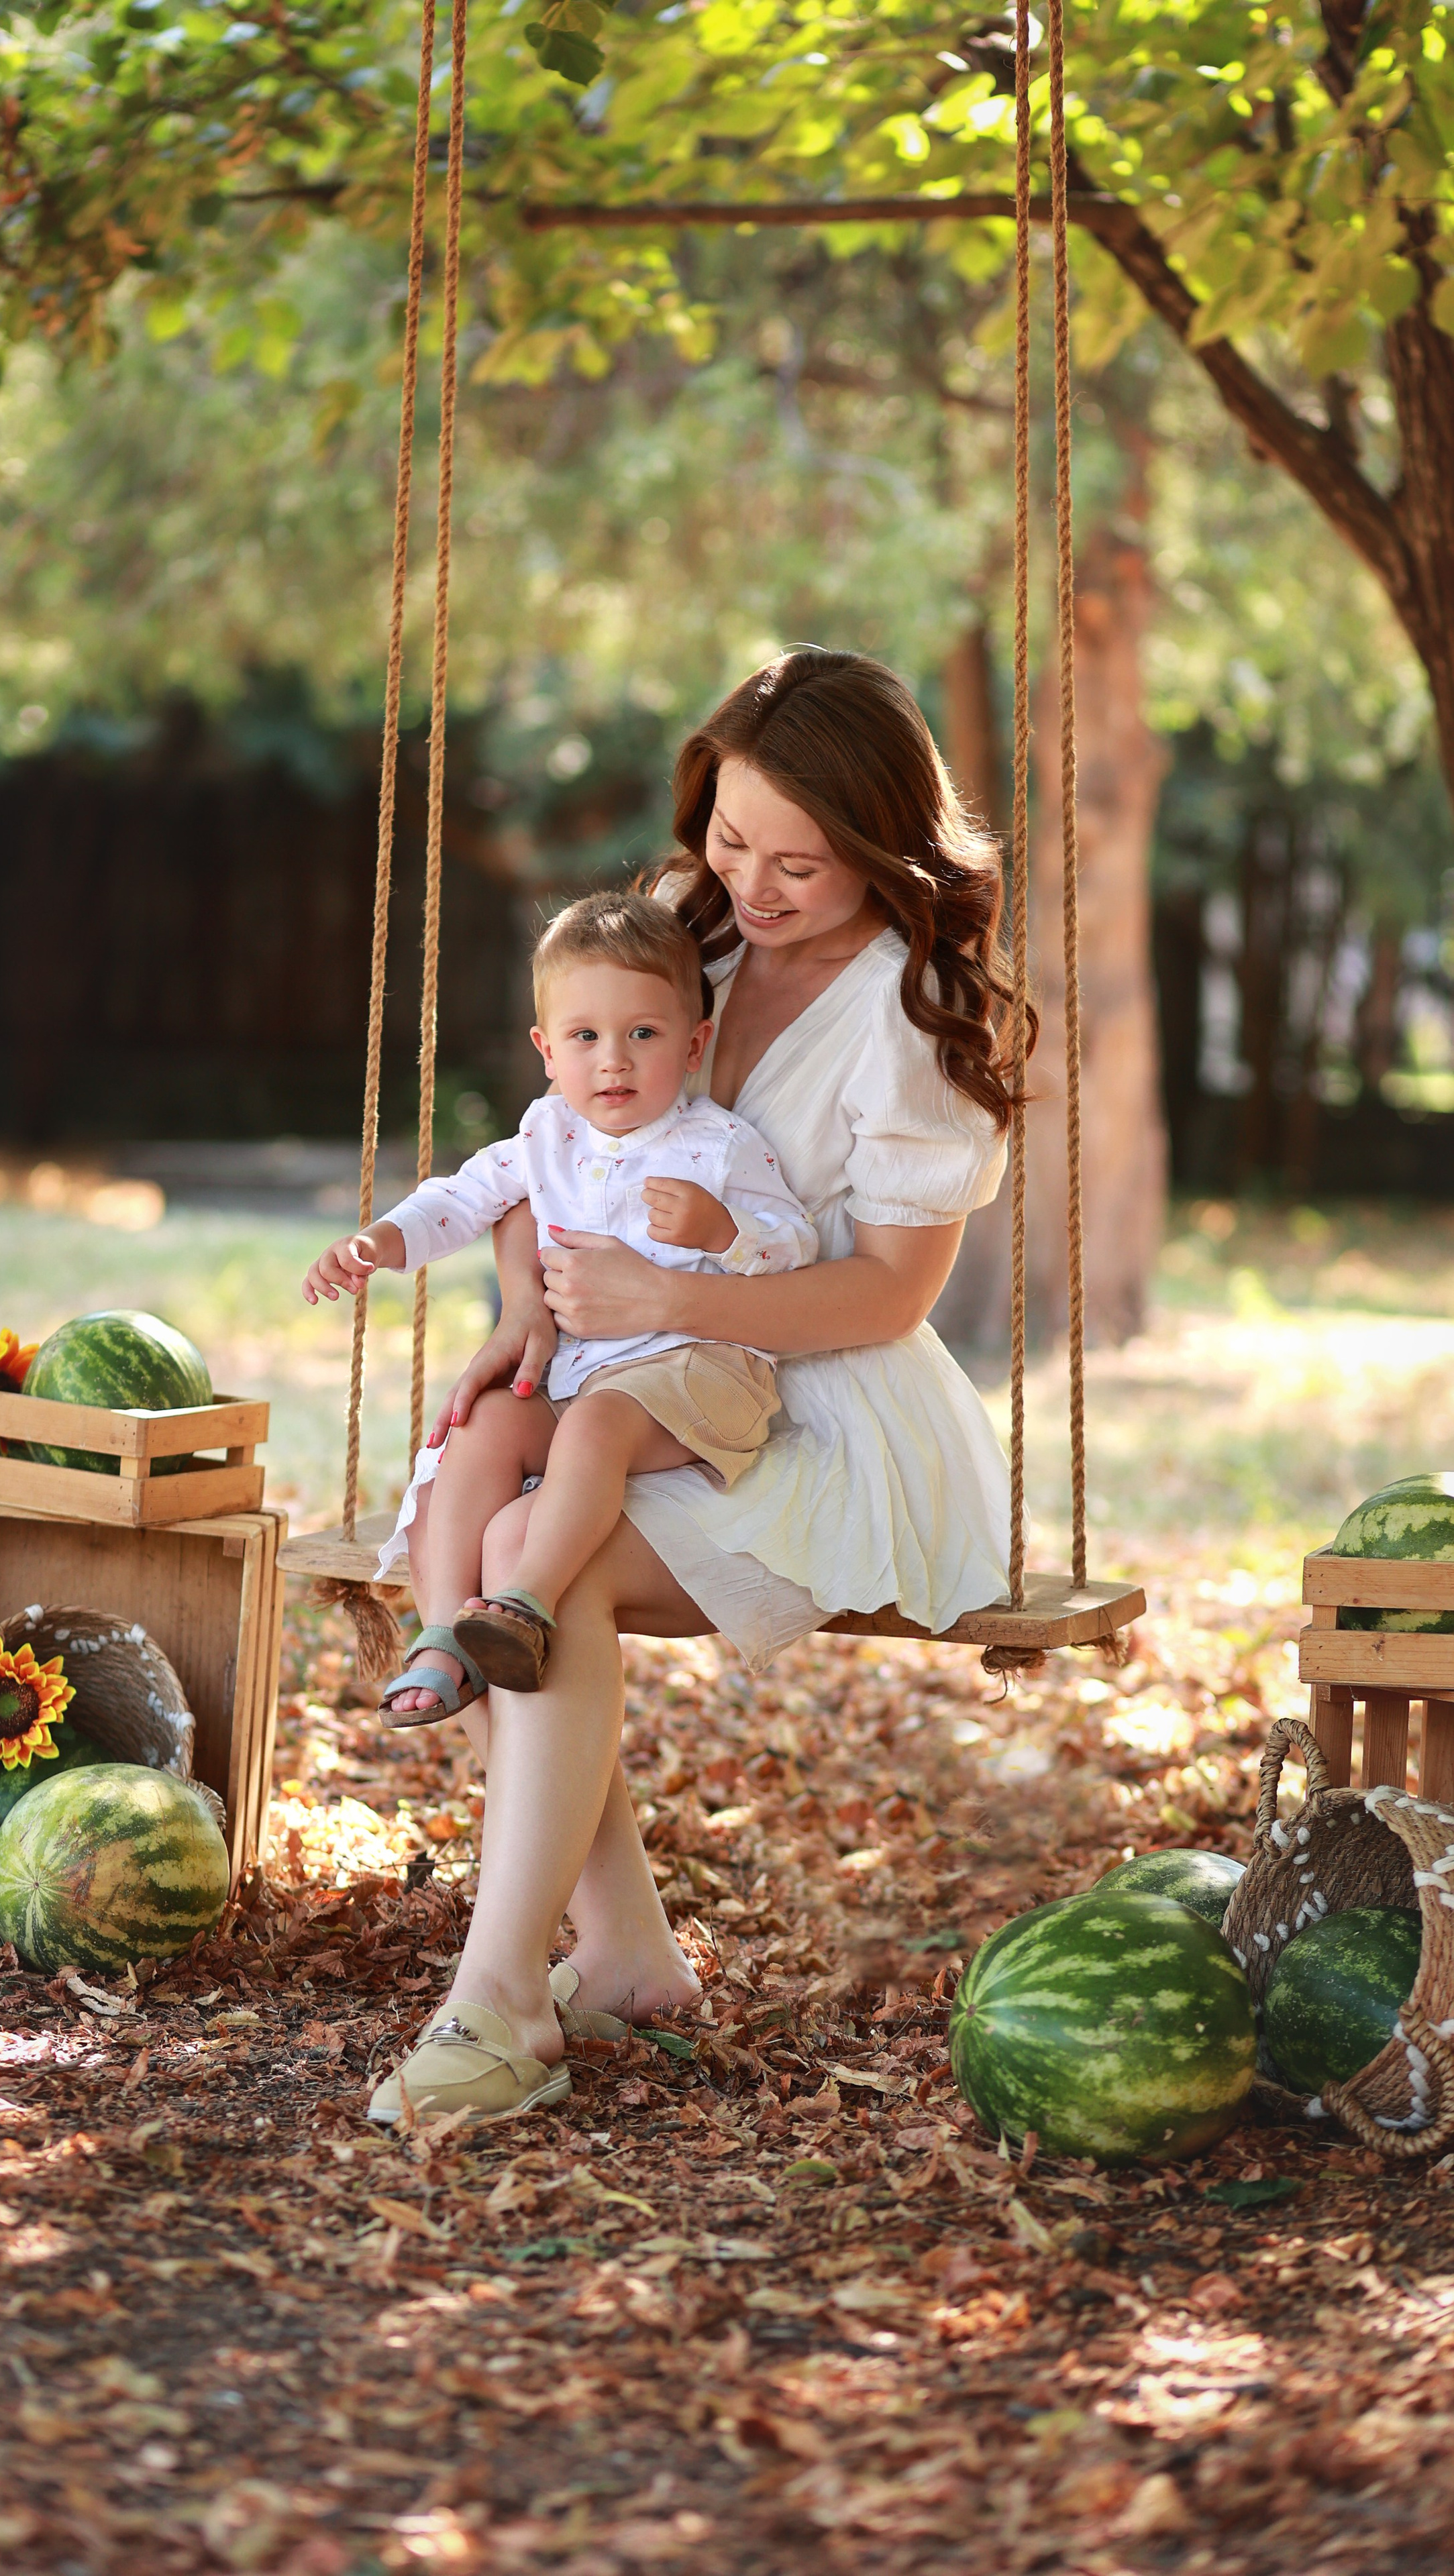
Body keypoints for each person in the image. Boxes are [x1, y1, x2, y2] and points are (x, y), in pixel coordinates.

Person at [362, 648, 1027, 2128]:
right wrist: (522, 1301)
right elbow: (551, 1148)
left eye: (801, 862)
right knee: (474, 1530)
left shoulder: (912, 1008)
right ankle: (623, 1957)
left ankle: (500, 2001)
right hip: (635, 1371)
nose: (755, 885)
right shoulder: (685, 930)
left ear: (882, 847)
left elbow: (888, 1294)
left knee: (542, 1562)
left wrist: (673, 1297)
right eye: (732, 840)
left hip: (827, 1406)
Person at [303, 891, 818, 1715]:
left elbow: (794, 1246)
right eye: (585, 1037)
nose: (613, 1061)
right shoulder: (547, 1134)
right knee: (483, 1422)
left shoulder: (719, 1148)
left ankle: (525, 1603)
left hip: (700, 1374)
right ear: (546, 1050)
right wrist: (380, 1243)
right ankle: (443, 1636)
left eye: (642, 1034)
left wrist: (724, 1233)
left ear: (693, 1044)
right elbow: (460, 1198)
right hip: (581, 1376)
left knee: (596, 1422)